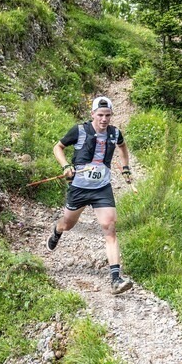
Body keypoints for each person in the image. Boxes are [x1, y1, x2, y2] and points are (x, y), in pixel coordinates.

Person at [47, 95, 134, 294]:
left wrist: (126, 167)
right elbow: (57, 147)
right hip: (79, 187)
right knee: (68, 224)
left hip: (102, 187)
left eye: (108, 115)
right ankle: (57, 230)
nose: (104, 119)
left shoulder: (114, 133)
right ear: (92, 114)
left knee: (109, 227)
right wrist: (66, 166)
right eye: (101, 115)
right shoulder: (79, 131)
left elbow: (122, 147)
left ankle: (115, 279)